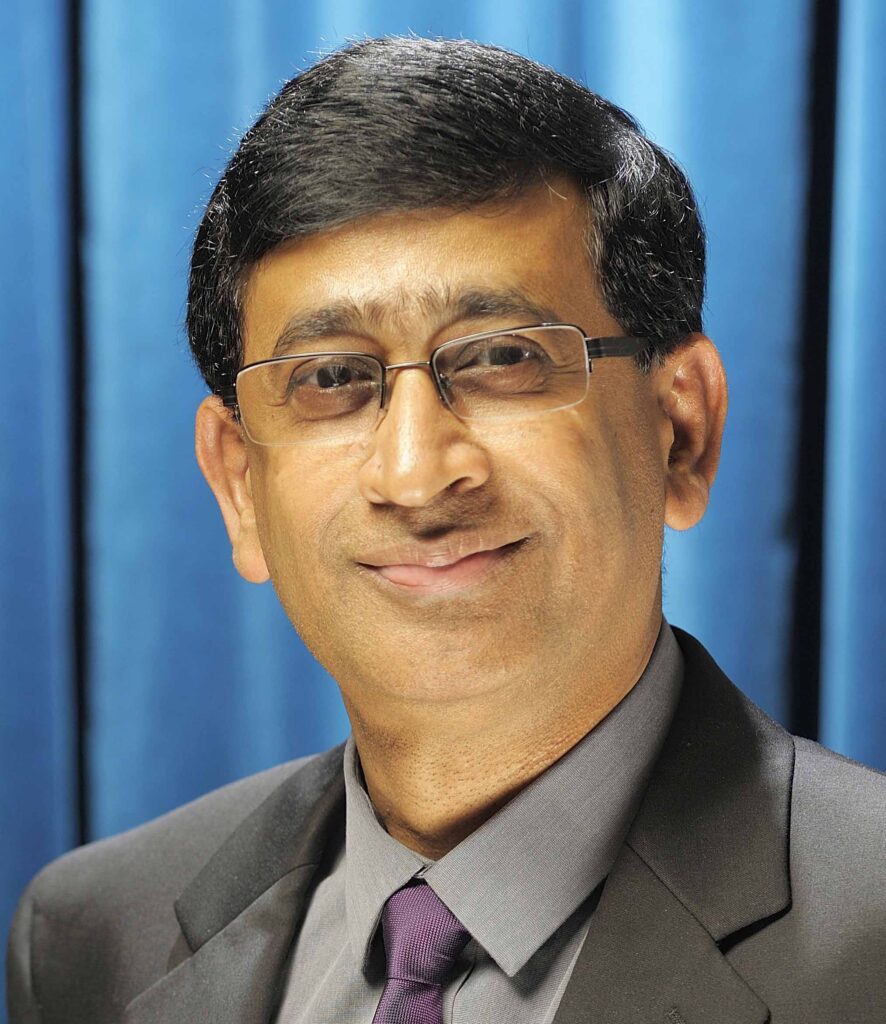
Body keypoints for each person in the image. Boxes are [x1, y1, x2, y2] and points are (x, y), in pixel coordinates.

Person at [6, 35, 885, 1024]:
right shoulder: (92, 936)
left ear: (680, 429)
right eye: (332, 378)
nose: (417, 474)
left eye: (504, 356)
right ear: (240, 485)